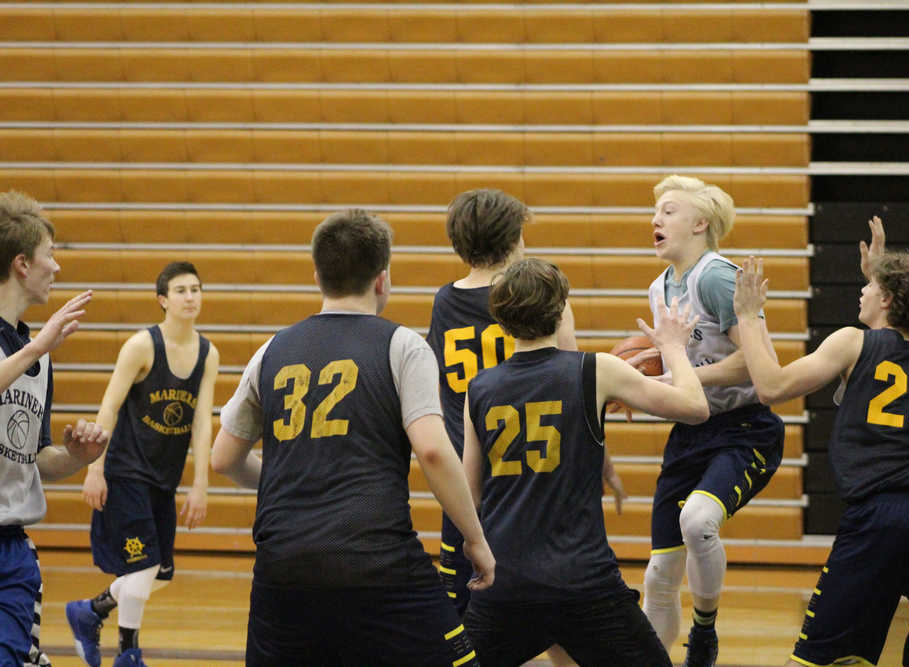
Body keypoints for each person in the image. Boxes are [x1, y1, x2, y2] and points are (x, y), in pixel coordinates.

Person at [210, 208, 495, 666]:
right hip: (375, 562)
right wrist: (475, 537)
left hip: (282, 569)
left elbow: (223, 458)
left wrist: (294, 479)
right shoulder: (402, 345)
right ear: (382, 279)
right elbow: (433, 451)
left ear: (318, 275)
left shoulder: (272, 350)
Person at [733, 218, 909, 667]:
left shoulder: (852, 343)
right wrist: (880, 273)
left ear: (888, 299)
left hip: (879, 518)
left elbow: (772, 386)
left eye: (872, 288)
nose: (863, 291)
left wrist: (748, 315)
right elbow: (904, 329)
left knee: (827, 658)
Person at [462, 257, 710, 666]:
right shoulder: (595, 370)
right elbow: (695, 406)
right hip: (582, 580)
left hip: (508, 581)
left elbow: (470, 493)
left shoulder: (480, 387)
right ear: (560, 311)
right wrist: (672, 348)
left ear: (500, 319)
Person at [426, 188, 626, 619]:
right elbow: (576, 391)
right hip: (533, 470)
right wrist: (605, 462)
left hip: (467, 479)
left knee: (460, 609)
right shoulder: (536, 297)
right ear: (515, 240)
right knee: (557, 603)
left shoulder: (444, 302)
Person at [636, 175, 785, 667]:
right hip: (692, 432)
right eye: (656, 211)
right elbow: (675, 362)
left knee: (698, 521)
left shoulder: (715, 277)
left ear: (700, 223)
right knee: (657, 577)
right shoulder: (659, 288)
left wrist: (685, 372)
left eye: (670, 211)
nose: (656, 219)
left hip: (745, 427)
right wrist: (638, 379)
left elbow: (760, 363)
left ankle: (704, 633)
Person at [65, 262, 219, 667]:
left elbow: (203, 423)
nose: (191, 297)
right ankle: (129, 654)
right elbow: (108, 407)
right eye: (182, 290)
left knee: (156, 575)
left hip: (163, 481)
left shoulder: (208, 353)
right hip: (125, 473)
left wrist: (201, 484)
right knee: (144, 565)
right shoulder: (141, 346)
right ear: (162, 301)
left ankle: (90, 610)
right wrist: (94, 469)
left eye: (196, 289)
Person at [0, 190, 109, 666]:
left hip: (13, 549)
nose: (57, 268)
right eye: (51, 255)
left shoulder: (35, 354)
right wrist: (35, 349)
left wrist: (75, 459)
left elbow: (31, 456)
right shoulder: (33, 352)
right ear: (22, 264)